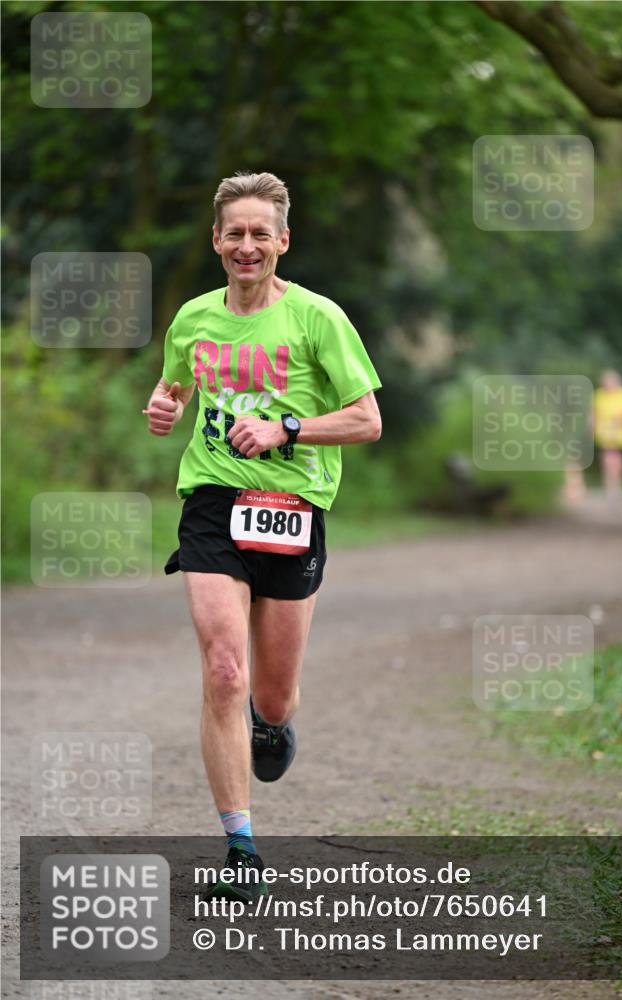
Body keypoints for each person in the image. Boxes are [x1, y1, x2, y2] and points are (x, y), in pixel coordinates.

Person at [143, 172, 382, 901]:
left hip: (292, 503)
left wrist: (286, 427)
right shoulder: (192, 319)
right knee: (223, 669)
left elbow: (366, 420)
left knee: (271, 698)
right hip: (213, 501)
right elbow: (177, 388)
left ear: (282, 241)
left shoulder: (317, 319)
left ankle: (272, 727)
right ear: (217, 241)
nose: (246, 245)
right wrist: (163, 404)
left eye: (260, 233)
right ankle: (240, 849)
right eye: (234, 233)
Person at [592, 370, 622, 504]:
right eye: (605, 382)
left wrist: (620, 421)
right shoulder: (599, 395)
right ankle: (613, 492)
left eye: (611, 382)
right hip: (605, 438)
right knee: (609, 464)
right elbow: (593, 414)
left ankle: (616, 486)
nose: (608, 385)